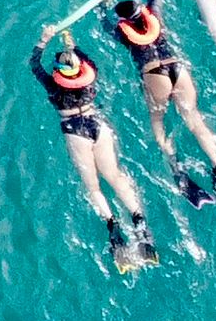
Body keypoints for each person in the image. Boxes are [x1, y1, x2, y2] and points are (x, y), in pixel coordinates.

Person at [103, 0, 216, 202]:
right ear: (142, 13)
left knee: (158, 122)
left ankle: (177, 168)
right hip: (177, 68)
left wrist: (104, 5)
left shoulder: (122, 32)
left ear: (125, 21)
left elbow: (105, 23)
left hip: (154, 73)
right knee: (194, 120)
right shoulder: (154, 15)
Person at [35, 30, 157, 273]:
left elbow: (34, 64)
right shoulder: (90, 80)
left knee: (93, 187)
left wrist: (44, 40)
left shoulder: (53, 87)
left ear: (59, 75)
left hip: (75, 131)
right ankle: (138, 220)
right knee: (114, 175)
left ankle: (113, 227)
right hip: (97, 125)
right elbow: (88, 61)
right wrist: (72, 44)